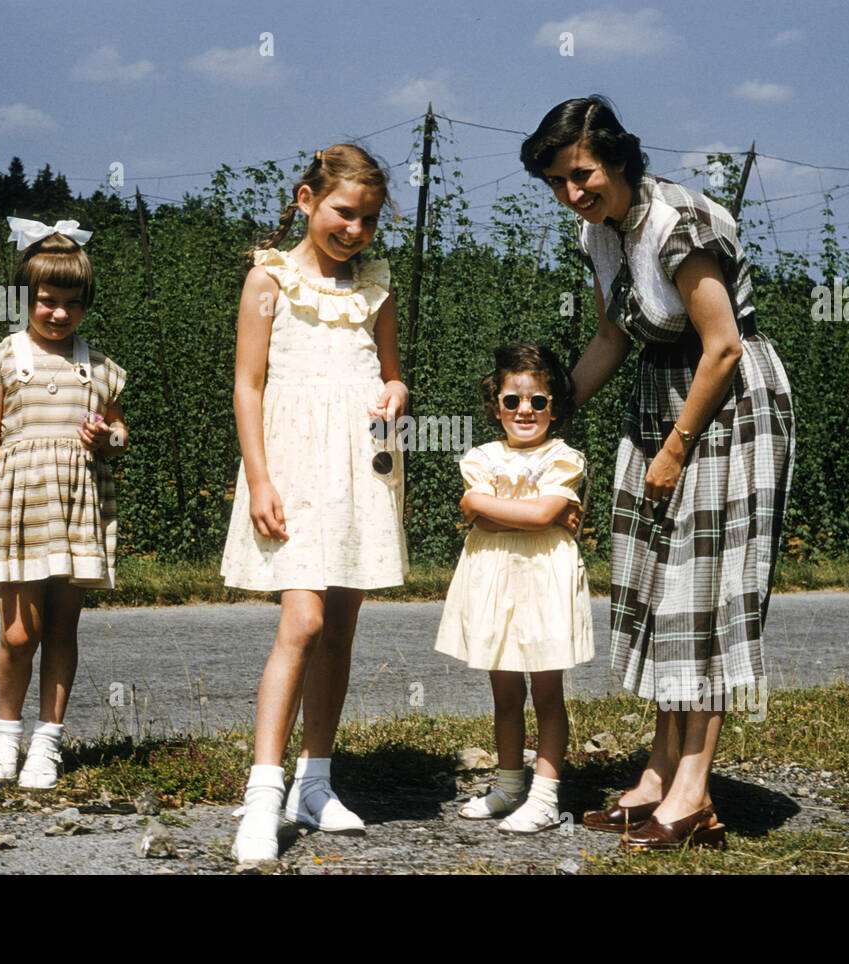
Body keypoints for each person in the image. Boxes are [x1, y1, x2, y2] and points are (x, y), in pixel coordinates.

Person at [521, 96, 795, 850]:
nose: (571, 192)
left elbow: (723, 347)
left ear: (616, 159)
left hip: (725, 405)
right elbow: (612, 336)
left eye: (581, 174)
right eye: (556, 181)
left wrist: (675, 448)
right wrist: (550, 416)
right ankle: (657, 775)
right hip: (661, 397)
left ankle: (694, 795)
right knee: (661, 590)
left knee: (705, 595)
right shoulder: (600, 231)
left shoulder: (680, 222)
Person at [221, 144, 408, 862]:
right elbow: (248, 385)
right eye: (343, 213)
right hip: (292, 466)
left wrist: (395, 393)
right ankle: (262, 795)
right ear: (306, 200)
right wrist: (260, 479)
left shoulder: (375, 286)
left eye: (368, 219)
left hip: (360, 465)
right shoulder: (269, 279)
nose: (355, 230)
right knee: (302, 621)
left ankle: (316, 782)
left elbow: (391, 375)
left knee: (339, 628)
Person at [0, 217, 128, 790]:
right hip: (19, 511)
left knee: (61, 630)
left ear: (86, 304)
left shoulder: (98, 366)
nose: (60, 313)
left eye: (72, 303)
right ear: (25, 298)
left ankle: (46, 743)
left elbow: (121, 435)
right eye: (47, 301)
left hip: (77, 511)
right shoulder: (4, 358)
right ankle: (5, 736)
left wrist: (107, 437)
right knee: (18, 634)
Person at [435, 344, 594, 833]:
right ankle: (508, 786)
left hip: (544, 577)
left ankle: (544, 797)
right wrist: (535, 515)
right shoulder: (481, 457)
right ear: (496, 406)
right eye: (513, 400)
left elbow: (535, 513)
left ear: (553, 408)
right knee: (505, 691)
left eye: (538, 401)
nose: (525, 410)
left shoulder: (564, 457)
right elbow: (511, 515)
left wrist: (488, 509)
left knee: (546, 692)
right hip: (494, 578)